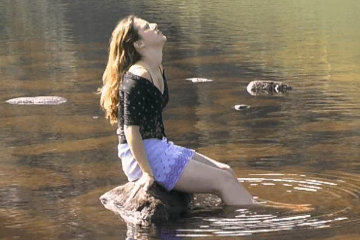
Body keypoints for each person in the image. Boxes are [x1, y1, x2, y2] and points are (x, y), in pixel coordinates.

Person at [99, 15, 254, 205]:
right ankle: (260, 214)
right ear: (139, 44)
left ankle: (243, 211)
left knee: (226, 171)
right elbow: (131, 131)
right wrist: (147, 173)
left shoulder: (156, 67)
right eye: (147, 27)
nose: (155, 25)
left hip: (158, 146)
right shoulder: (136, 78)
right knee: (224, 182)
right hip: (140, 157)